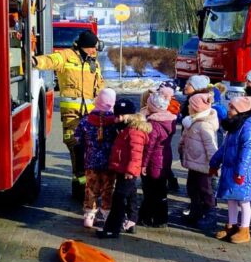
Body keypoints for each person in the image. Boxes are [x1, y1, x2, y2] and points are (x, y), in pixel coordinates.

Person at [33, 30, 104, 198]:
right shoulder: (66, 56)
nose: (95, 51)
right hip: (71, 114)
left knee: (89, 150)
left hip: (91, 115)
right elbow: (50, 60)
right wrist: (34, 61)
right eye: (92, 48)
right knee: (75, 146)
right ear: (83, 47)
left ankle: (82, 188)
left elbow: (99, 85)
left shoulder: (94, 62)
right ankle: (81, 189)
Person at [209, 95, 251, 244]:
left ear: (240, 110)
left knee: (243, 201)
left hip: (241, 171)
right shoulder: (234, 126)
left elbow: (248, 151)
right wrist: (214, 162)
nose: (229, 110)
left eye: (232, 107)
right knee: (231, 199)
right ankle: (231, 225)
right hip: (230, 168)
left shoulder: (247, 127)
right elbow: (225, 148)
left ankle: (244, 229)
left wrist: (241, 171)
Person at [100, 99, 151, 239]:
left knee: (118, 199)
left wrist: (130, 170)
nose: (117, 119)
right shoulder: (127, 128)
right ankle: (132, 220)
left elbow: (136, 154)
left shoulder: (134, 131)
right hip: (123, 169)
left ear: (129, 115)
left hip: (128, 171)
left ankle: (112, 229)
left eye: (120, 116)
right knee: (131, 194)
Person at [72, 87, 118, 230]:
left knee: (91, 188)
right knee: (107, 189)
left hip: (90, 161)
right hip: (109, 163)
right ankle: (106, 214)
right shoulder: (115, 121)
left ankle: (89, 216)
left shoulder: (86, 120)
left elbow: (77, 138)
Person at [178, 91, 220, 227]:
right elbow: (184, 139)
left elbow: (211, 147)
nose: (188, 107)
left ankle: (210, 214)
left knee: (205, 190)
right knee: (192, 188)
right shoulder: (191, 122)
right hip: (193, 163)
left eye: (190, 105)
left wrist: (214, 165)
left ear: (196, 107)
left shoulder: (204, 125)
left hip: (204, 165)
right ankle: (195, 211)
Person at [139, 89, 177, 228]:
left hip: (153, 161)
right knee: (161, 190)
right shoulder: (169, 120)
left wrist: (143, 164)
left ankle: (145, 217)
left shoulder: (154, 125)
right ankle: (161, 219)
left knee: (150, 191)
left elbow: (149, 147)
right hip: (165, 158)